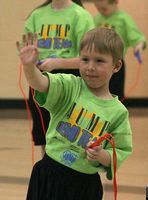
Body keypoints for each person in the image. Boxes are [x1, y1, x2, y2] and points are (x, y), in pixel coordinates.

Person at [16, 27, 133, 200]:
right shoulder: (70, 86)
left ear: (116, 65)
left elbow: (121, 150)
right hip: (49, 175)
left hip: (84, 186)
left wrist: (103, 156)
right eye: (85, 59)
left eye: (99, 61)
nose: (90, 67)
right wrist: (29, 67)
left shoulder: (119, 112)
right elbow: (40, 83)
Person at [24, 0, 95, 156]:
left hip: (70, 79)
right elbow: (26, 52)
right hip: (40, 77)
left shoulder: (81, 16)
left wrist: (57, 62)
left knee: (70, 135)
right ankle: (48, 173)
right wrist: (30, 61)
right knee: (44, 135)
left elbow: (89, 58)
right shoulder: (36, 16)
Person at [92, 0, 146, 100]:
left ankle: (117, 114)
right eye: (98, 9)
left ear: (115, 2)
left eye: (104, 9)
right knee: (97, 93)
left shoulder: (123, 18)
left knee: (115, 93)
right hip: (98, 63)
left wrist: (139, 45)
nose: (102, 12)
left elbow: (137, 36)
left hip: (115, 64)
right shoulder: (97, 19)